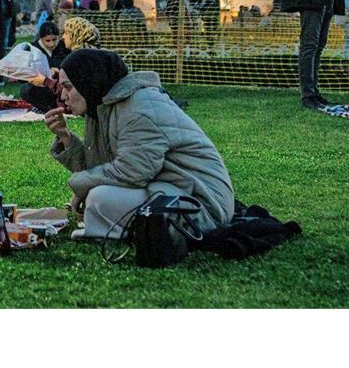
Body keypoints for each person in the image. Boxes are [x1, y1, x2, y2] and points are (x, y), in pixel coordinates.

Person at [44, 49, 235, 240]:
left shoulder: (140, 107)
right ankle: (118, 229)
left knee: (99, 198)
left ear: (88, 81)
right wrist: (66, 138)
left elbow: (133, 171)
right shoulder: (101, 107)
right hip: (167, 191)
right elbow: (99, 169)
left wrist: (80, 185)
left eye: (68, 87)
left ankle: (124, 231)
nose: (63, 97)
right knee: (98, 195)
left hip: (203, 206)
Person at [20, 20, 71, 112]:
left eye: (55, 40)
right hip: (41, 86)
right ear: (41, 38)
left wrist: (58, 71)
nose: (51, 44)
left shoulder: (64, 47)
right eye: (47, 40)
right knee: (26, 90)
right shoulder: (32, 49)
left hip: (61, 87)